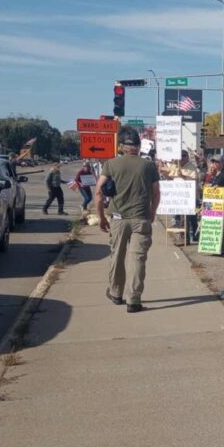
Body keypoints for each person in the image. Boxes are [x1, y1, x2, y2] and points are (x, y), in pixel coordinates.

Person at [95, 130, 161, 313]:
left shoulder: (111, 164)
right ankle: (134, 299)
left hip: (118, 218)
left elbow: (99, 193)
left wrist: (101, 217)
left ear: (122, 147)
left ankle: (116, 293)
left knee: (117, 255)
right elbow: (156, 193)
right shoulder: (148, 166)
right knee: (138, 258)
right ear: (138, 147)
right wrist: (152, 213)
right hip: (141, 218)